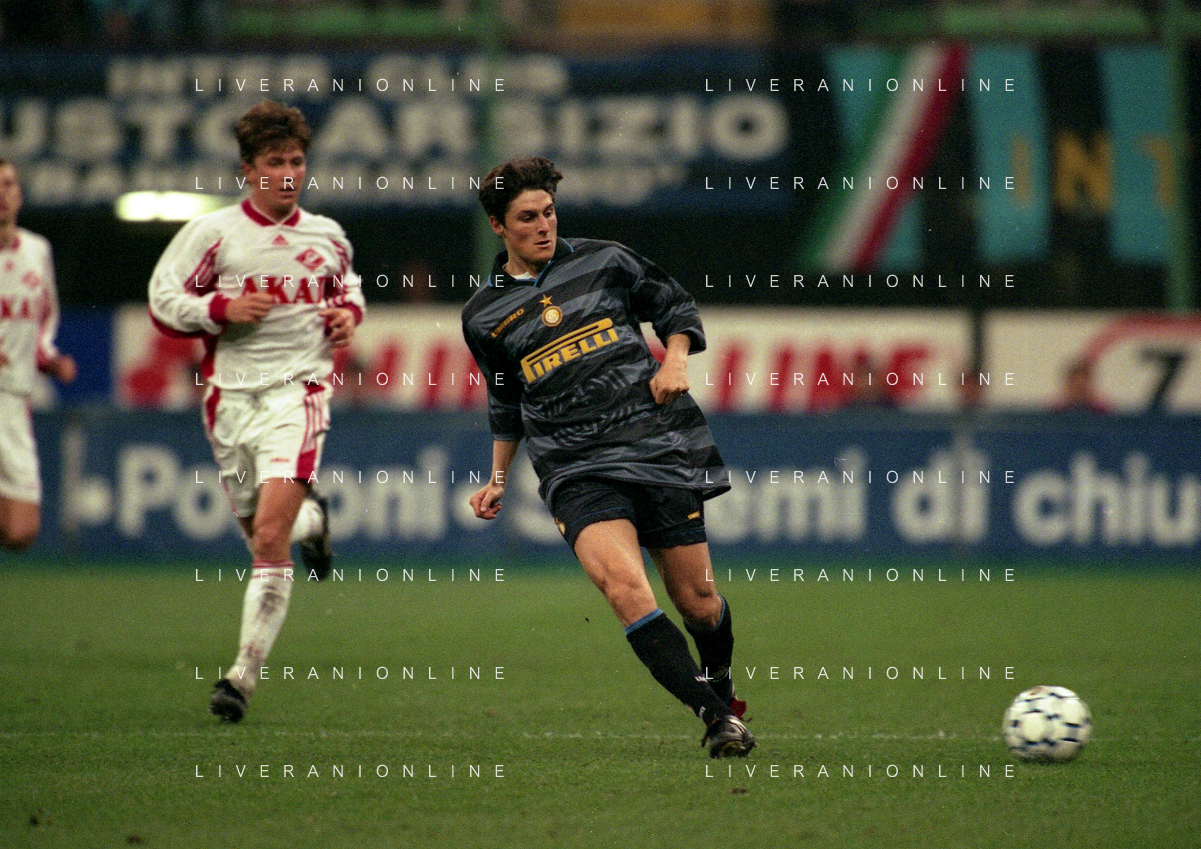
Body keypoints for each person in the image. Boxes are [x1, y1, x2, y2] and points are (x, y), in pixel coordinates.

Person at [462, 157, 755, 758]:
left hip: (654, 447)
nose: (543, 225)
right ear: (498, 226)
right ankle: (717, 718)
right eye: (527, 217)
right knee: (624, 588)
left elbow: (674, 306)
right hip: (573, 467)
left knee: (699, 605)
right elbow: (506, 401)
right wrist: (497, 478)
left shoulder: (606, 260)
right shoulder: (483, 316)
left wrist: (675, 360)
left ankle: (720, 685)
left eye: (548, 212)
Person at [148, 100, 365, 722]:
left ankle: (241, 677)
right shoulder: (213, 234)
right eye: (275, 162)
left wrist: (346, 317)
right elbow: (163, 299)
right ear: (249, 169)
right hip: (230, 400)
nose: (289, 174)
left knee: (268, 539)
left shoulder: (327, 236)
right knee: (260, 534)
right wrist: (219, 310)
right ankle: (312, 521)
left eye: (297, 161)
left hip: (299, 393)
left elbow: (348, 292)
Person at [0, 159, 77, 550]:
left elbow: (44, 317)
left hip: (13, 397)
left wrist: (48, 358)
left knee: (21, 532)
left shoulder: (36, 250)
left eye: (8, 184)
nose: (2, 193)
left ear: (19, 194)